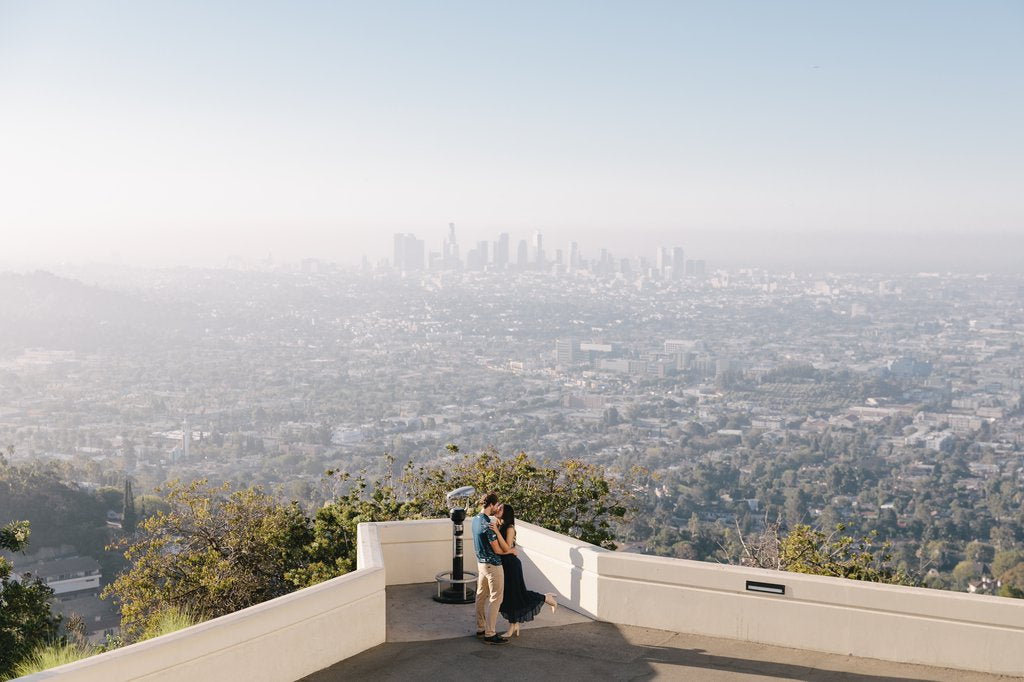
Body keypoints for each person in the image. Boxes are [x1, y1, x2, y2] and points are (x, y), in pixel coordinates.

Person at [492, 503, 558, 636]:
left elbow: (506, 548)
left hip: (511, 565)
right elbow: (506, 549)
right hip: (504, 564)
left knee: (514, 595)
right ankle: (516, 623)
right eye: (498, 507)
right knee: (513, 595)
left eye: (501, 508)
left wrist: (508, 546)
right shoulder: (497, 525)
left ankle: (545, 598)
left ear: (507, 513)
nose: (498, 509)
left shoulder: (509, 528)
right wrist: (509, 548)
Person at [472, 491, 517, 644]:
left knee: (480, 596)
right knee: (496, 599)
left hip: (481, 564)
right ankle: (490, 634)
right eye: (496, 505)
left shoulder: (475, 520)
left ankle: (480, 628)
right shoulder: (487, 524)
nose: (497, 508)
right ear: (491, 505)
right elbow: (498, 550)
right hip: (493, 566)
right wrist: (510, 551)